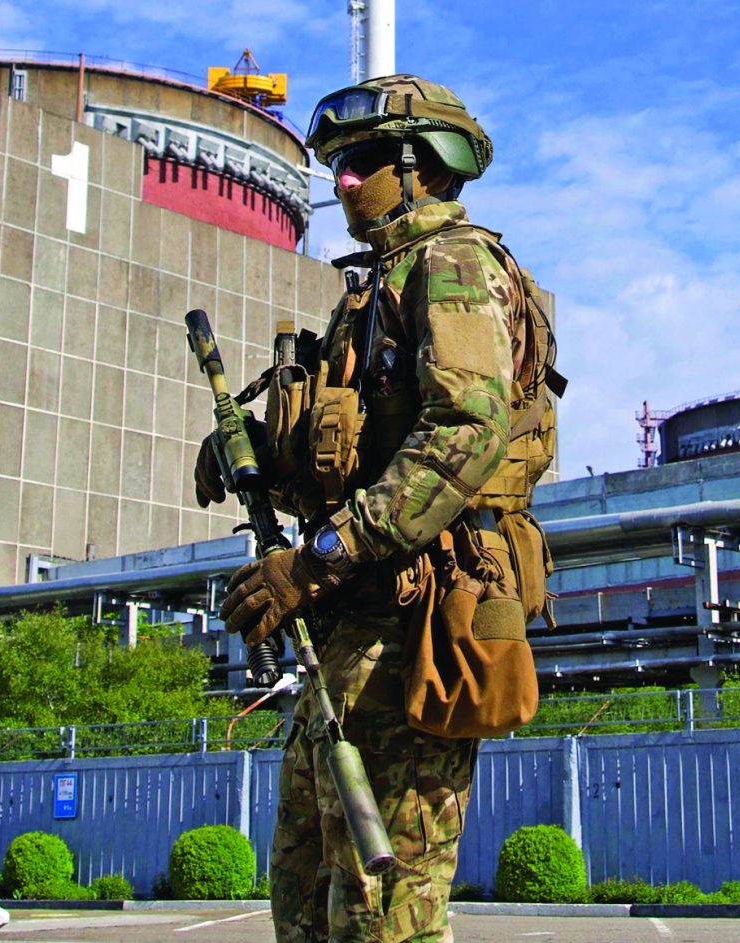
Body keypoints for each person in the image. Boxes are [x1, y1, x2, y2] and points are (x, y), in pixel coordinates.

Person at [194, 74, 560, 943]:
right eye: (340, 165)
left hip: (418, 627)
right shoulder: (376, 289)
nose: (344, 181)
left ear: (422, 167)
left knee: (382, 909)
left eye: (362, 162)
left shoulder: (454, 266)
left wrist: (314, 557)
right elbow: (359, 452)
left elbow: (463, 435)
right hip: (351, 632)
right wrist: (259, 449)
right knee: (309, 895)